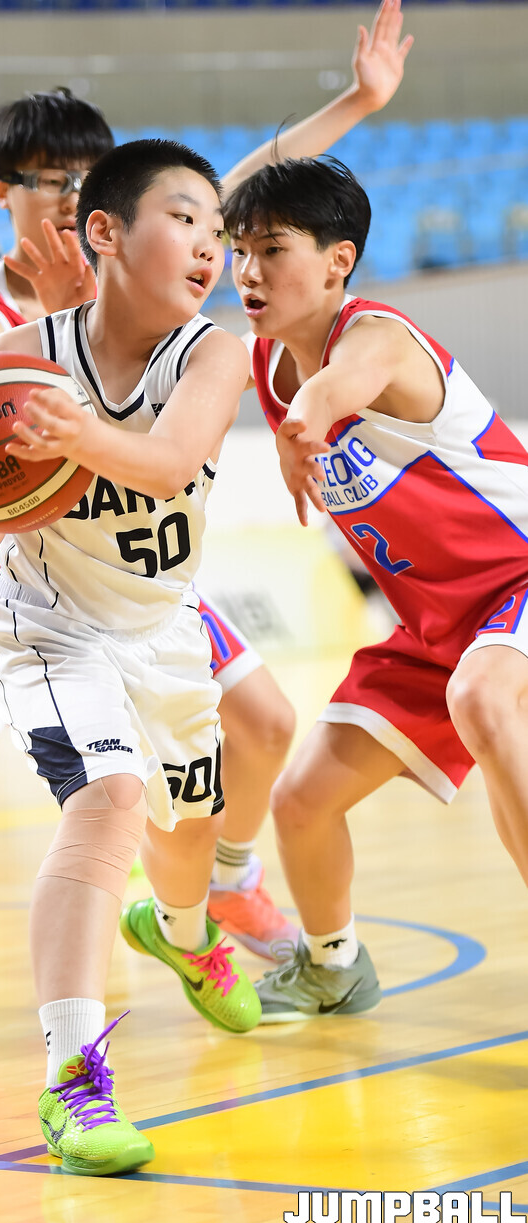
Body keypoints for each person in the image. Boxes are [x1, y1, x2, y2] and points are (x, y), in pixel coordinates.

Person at [0, 0, 411, 1019]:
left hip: (135, 557)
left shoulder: (157, 268)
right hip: (13, 556)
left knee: (262, 720)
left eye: (89, 174)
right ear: (8, 194)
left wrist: (356, 102)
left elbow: (243, 182)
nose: (76, 190)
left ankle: (218, 887)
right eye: (54, 178)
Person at [0, 139, 260, 1177]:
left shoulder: (212, 353)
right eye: (184, 220)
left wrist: (71, 436)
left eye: (216, 230)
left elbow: (167, 462)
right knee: (109, 799)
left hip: (164, 631)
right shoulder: (18, 360)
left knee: (186, 834)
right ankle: (73, 1081)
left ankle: (183, 931)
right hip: (51, 628)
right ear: (105, 232)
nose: (208, 247)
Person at [224, 154, 528, 1022]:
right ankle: (333, 966)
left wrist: (302, 426)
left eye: (271, 250)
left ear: (338, 261)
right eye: (240, 251)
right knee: (301, 801)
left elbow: (334, 389)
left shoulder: (379, 337)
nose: (248, 272)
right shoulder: (259, 360)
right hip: (439, 628)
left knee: (482, 696)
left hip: (519, 578)